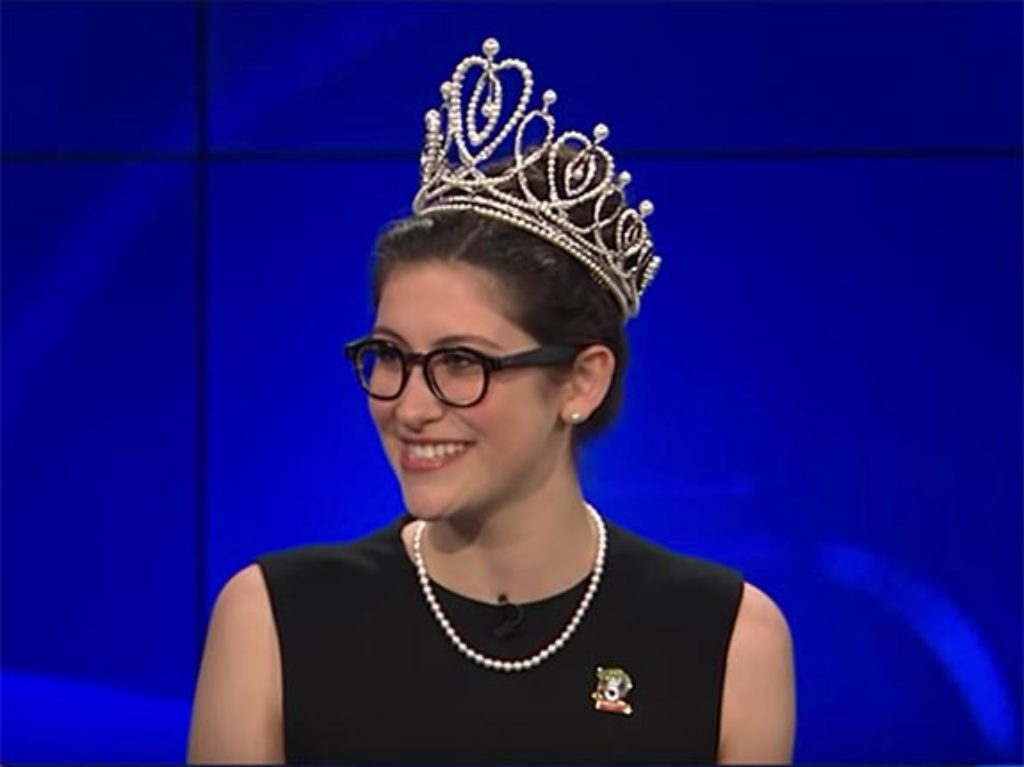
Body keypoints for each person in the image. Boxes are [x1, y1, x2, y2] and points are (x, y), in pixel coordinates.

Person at [187, 38, 795, 764]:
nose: (411, 407)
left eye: (460, 363)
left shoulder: (727, 637)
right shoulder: (274, 618)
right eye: (392, 357)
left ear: (581, 382)